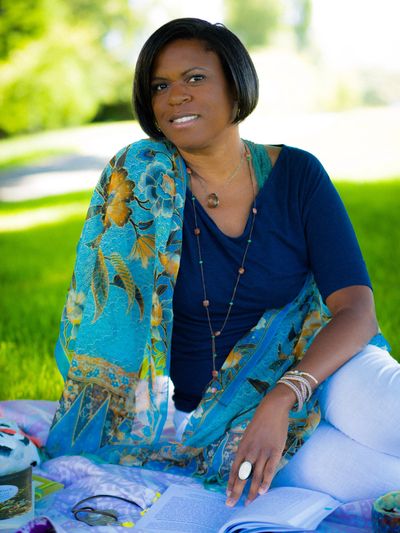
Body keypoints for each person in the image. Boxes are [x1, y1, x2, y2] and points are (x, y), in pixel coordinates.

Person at [45, 18, 400, 507]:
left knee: (390, 417)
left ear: (237, 87)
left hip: (322, 368)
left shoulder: (297, 174)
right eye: (160, 86)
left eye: (195, 78)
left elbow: (357, 308)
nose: (176, 96)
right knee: (377, 482)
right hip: (218, 416)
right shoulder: (144, 190)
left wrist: (281, 396)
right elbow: (109, 337)